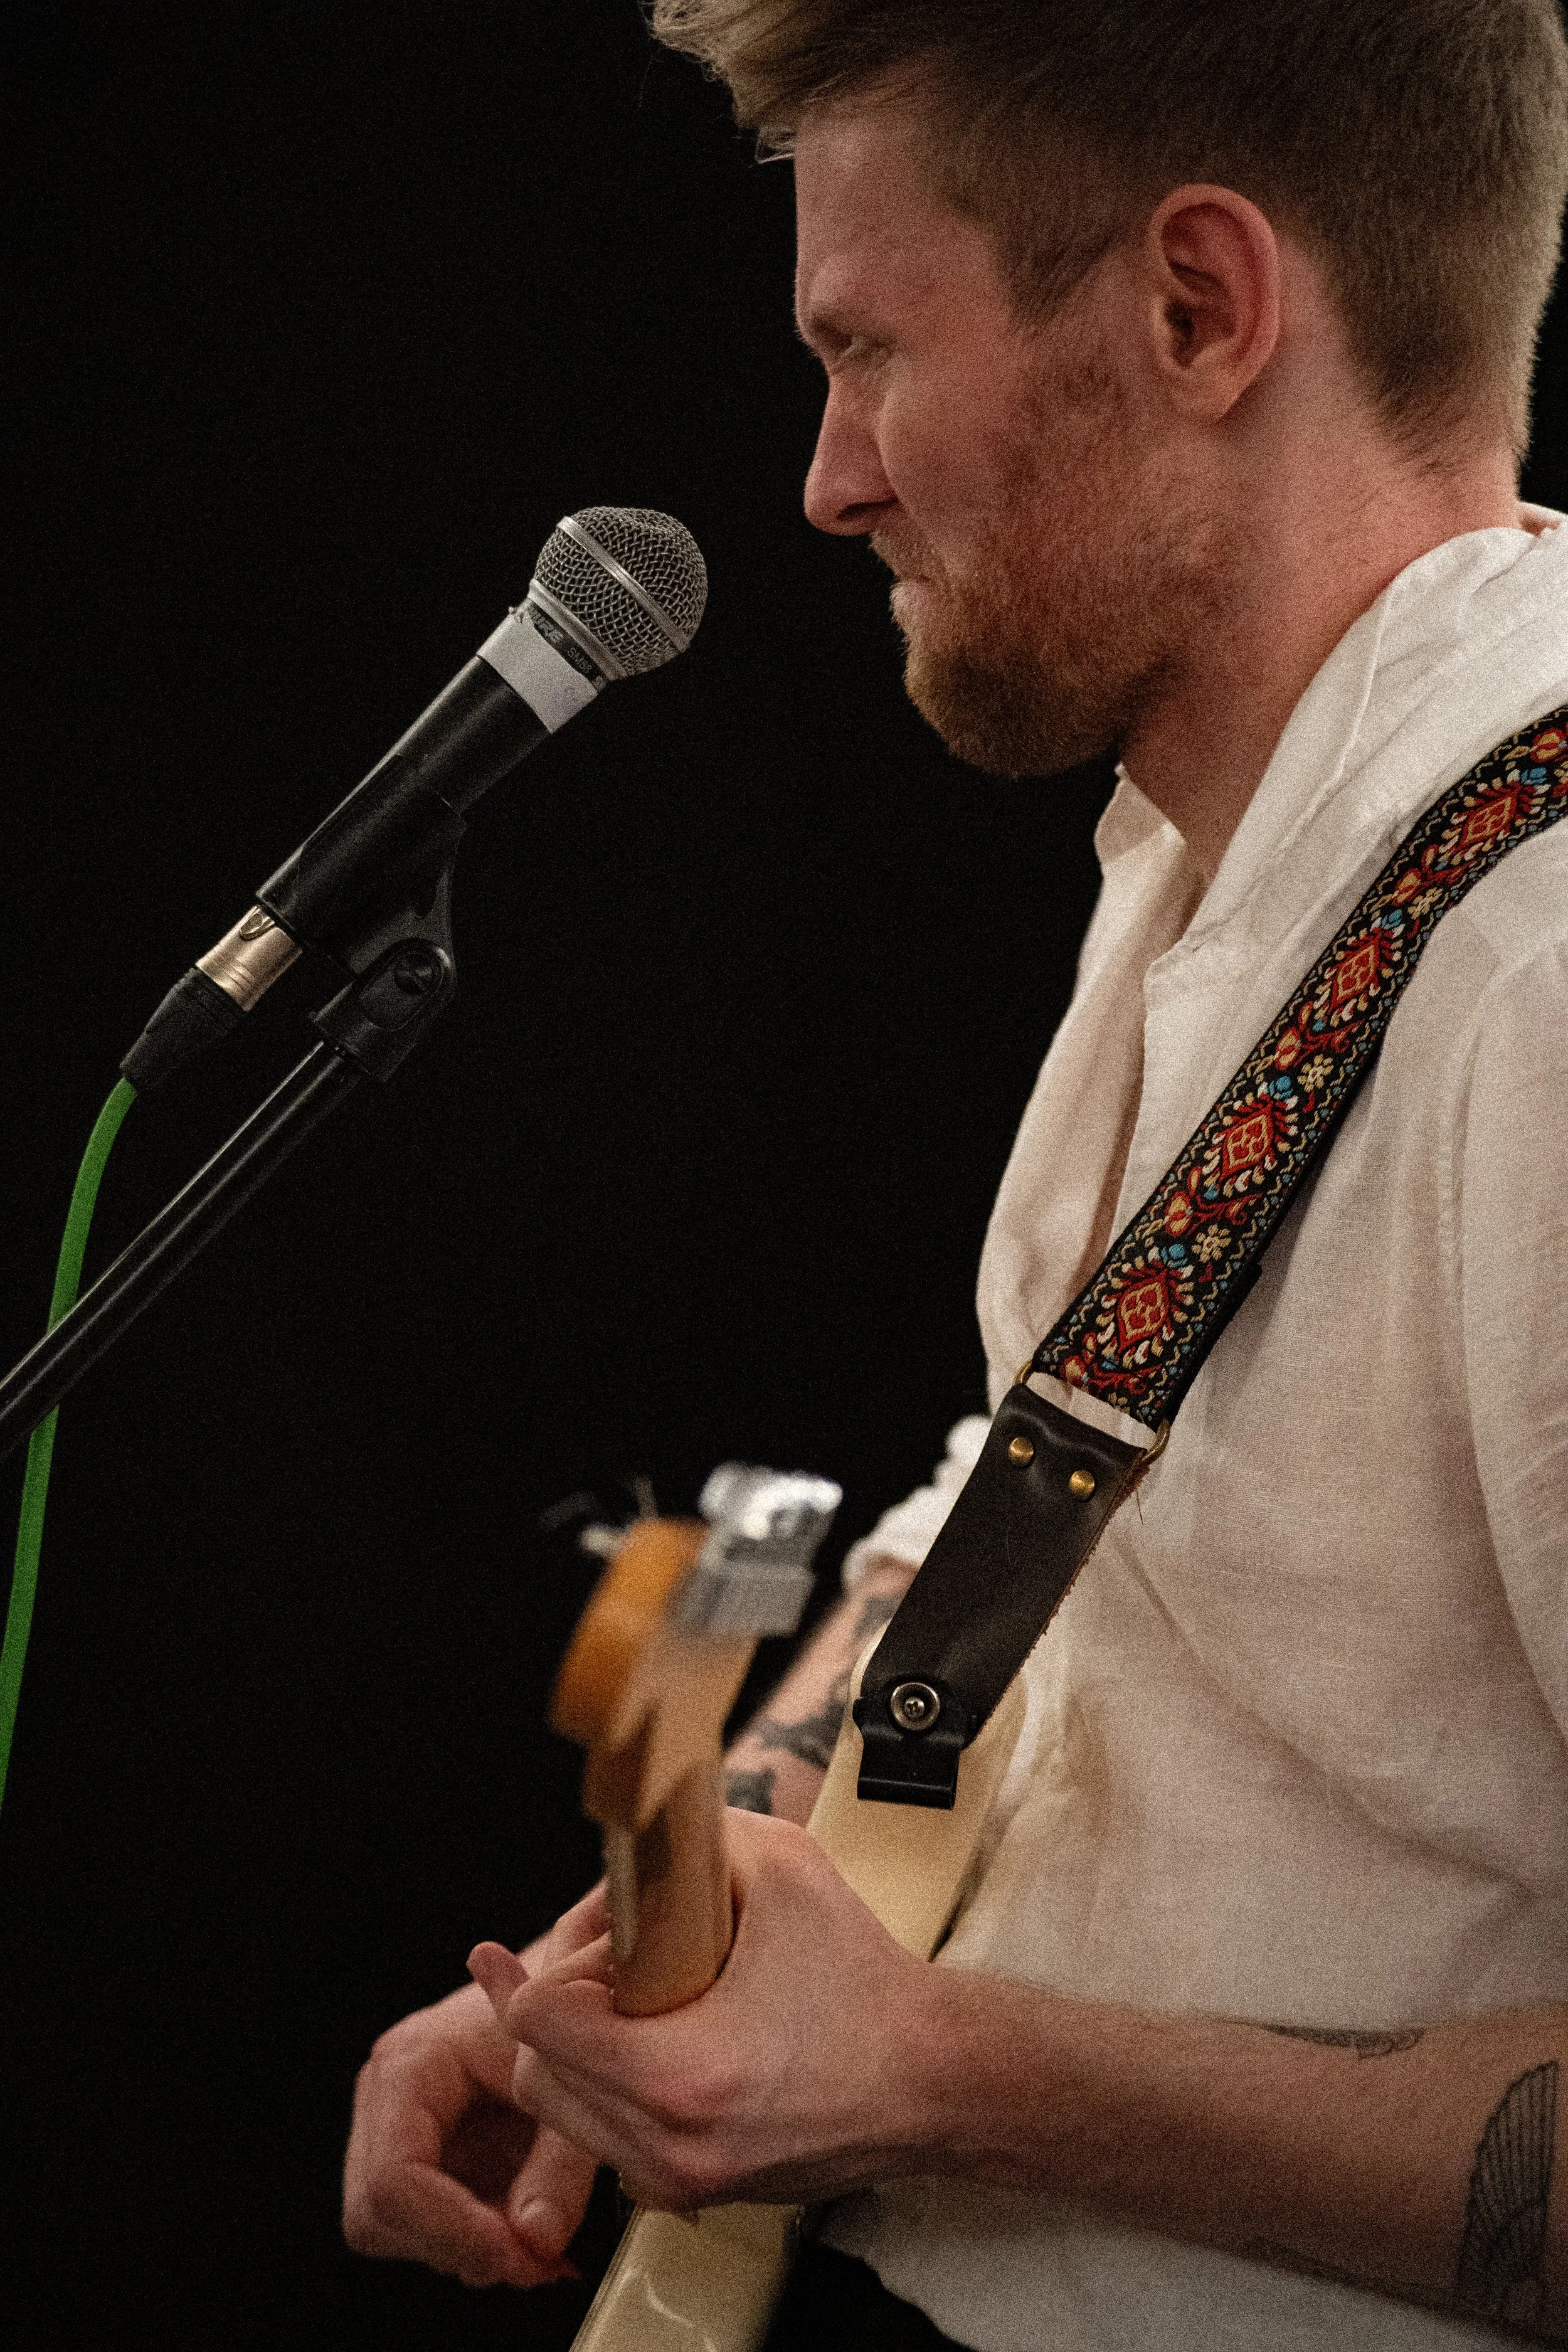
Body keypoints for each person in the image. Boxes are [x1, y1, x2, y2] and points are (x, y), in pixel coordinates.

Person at [341, 2, 1568, 2343]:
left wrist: (936, 2075)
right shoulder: (1236, 842)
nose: (826, 478)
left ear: (1197, 307)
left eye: (871, 352)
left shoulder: (1531, 977)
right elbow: (1074, 1503)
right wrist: (678, 1937)